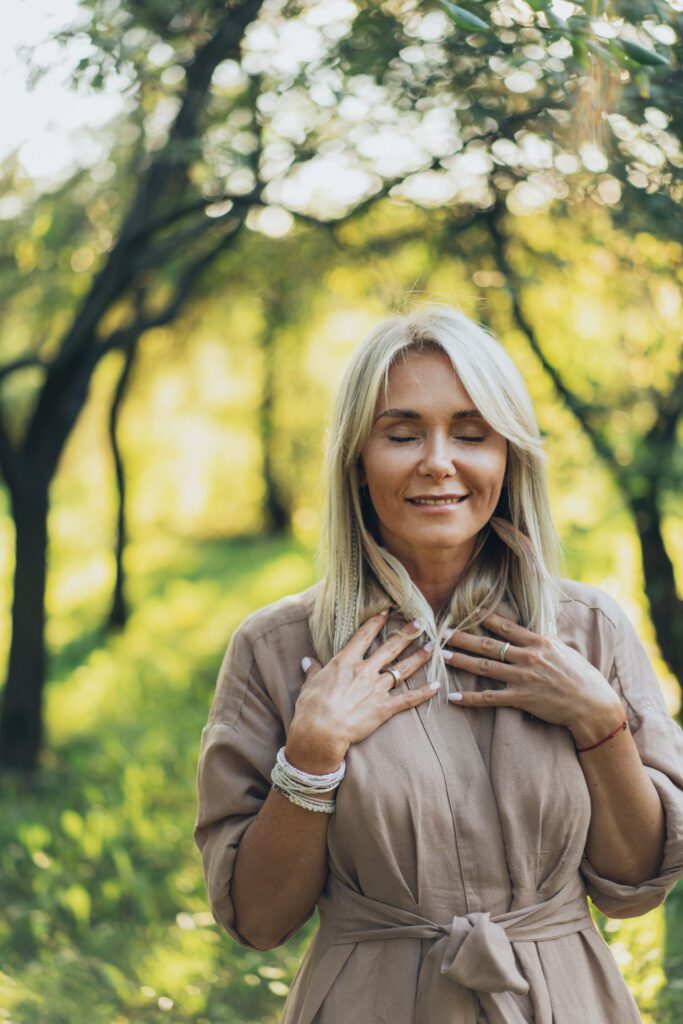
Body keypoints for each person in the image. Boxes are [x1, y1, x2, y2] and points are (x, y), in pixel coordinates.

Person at [194, 305, 683, 1024]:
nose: (437, 461)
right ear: (357, 462)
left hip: (562, 1002)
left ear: (507, 456)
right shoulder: (276, 647)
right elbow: (258, 921)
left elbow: (634, 885)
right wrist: (310, 756)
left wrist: (599, 723)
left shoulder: (589, 631)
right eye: (401, 434)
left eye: (470, 433)